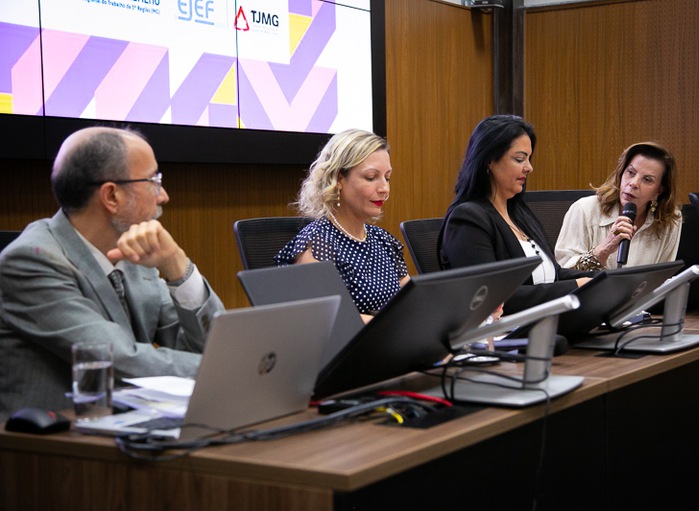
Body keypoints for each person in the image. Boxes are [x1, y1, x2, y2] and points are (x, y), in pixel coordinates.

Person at [0, 126, 225, 421]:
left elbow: (206, 345)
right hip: (56, 440)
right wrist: (230, 367)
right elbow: (117, 358)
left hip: (127, 425)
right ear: (111, 196)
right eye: (154, 182)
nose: (164, 196)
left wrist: (177, 266)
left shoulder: (132, 251)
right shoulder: (31, 261)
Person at [438, 114, 591, 316]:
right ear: (489, 160)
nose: (529, 168)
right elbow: (493, 298)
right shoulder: (467, 219)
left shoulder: (519, 213)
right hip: (505, 330)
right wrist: (574, 287)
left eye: (529, 159)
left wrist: (600, 280)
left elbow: (553, 274)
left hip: (547, 323)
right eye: (519, 159)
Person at [275, 129, 409, 317]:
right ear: (339, 179)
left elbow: (412, 302)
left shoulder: (384, 240)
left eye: (387, 178)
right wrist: (395, 325)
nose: (385, 188)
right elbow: (328, 318)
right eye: (371, 177)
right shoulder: (317, 244)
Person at [555, 142, 682, 270]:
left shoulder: (670, 221)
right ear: (621, 173)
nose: (634, 183)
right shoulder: (584, 210)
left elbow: (661, 275)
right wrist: (603, 251)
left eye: (647, 180)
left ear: (658, 191)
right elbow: (563, 274)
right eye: (631, 172)